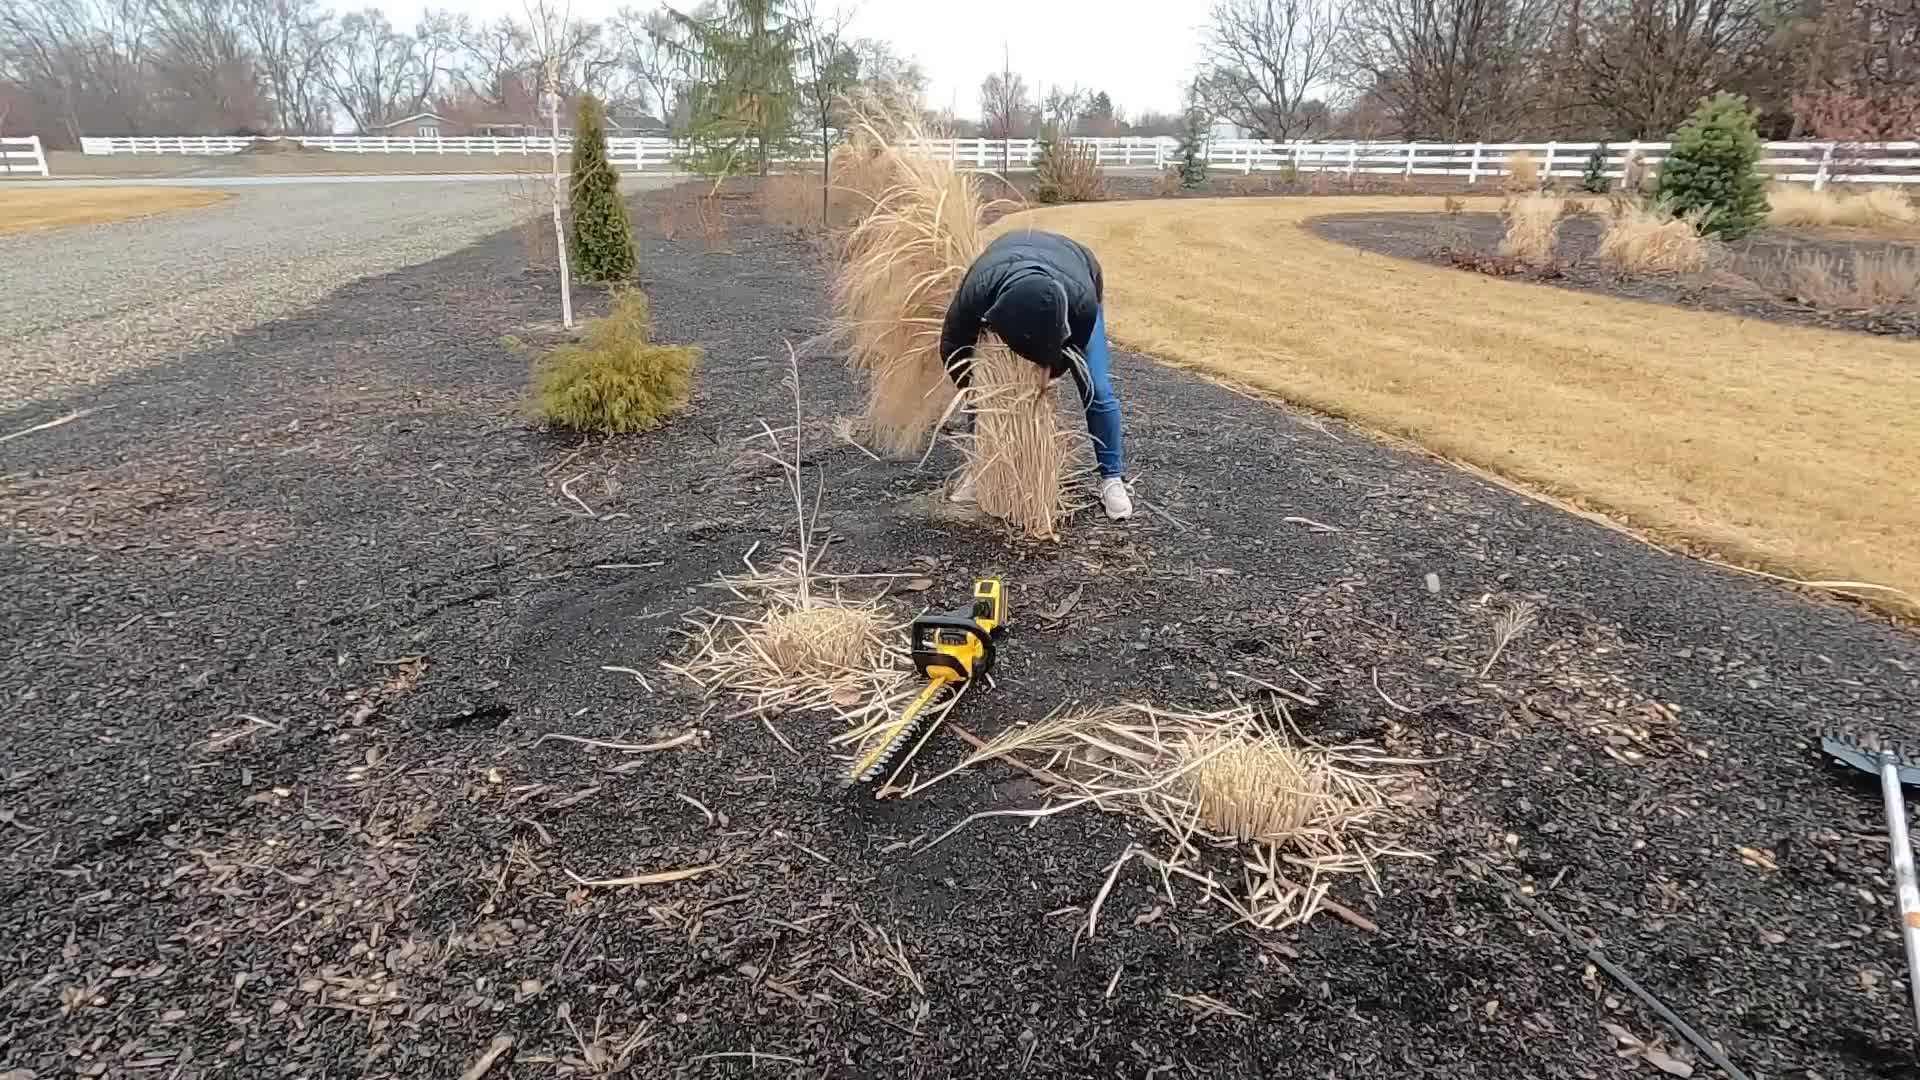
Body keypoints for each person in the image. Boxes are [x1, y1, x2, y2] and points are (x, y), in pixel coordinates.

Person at [938, 228, 1133, 521]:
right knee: (986, 381)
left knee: (1097, 388)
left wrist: (1046, 374)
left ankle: (1111, 479)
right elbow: (953, 350)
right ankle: (982, 469)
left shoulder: (1083, 302)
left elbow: (1064, 359)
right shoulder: (977, 291)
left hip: (1074, 269)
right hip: (1006, 266)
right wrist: (978, 391)